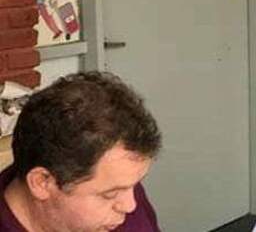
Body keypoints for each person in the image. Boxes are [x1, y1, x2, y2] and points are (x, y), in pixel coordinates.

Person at [1, 72, 162, 231]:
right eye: (109, 195)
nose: (131, 206)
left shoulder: (119, 181)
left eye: (135, 184)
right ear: (42, 182)